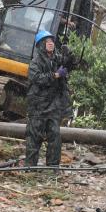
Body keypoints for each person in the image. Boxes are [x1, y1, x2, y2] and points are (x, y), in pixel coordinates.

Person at [25, 30, 75, 170]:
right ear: (41, 45)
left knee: (55, 137)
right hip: (38, 106)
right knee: (34, 138)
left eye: (52, 41)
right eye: (47, 42)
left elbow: (70, 66)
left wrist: (69, 55)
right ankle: (30, 168)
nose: (51, 43)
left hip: (53, 106)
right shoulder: (35, 62)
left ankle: (52, 169)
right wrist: (55, 75)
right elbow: (36, 78)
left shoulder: (57, 58)